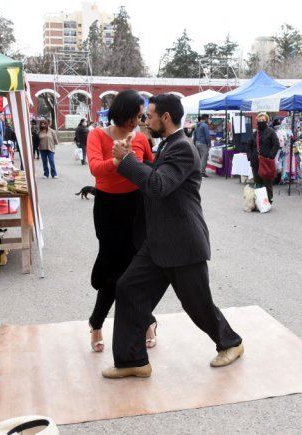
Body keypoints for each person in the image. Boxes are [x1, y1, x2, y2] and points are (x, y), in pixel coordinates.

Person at [101, 94, 243, 379]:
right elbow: (153, 178)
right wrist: (127, 161)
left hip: (183, 242)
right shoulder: (167, 144)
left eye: (150, 115)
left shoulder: (182, 148)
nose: (146, 120)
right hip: (158, 241)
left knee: (197, 303)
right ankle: (132, 361)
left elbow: (157, 185)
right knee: (128, 288)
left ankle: (231, 343)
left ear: (166, 117)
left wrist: (127, 160)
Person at [86, 90, 158, 354]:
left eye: (139, 116)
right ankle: (100, 324)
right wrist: (118, 159)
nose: (135, 122)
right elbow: (94, 167)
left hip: (136, 207)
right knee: (113, 270)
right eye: (132, 116)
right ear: (120, 112)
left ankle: (139, 321)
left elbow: (152, 167)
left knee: (133, 271)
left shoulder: (140, 138)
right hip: (108, 207)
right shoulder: (97, 135)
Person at [245, 112, 280, 203]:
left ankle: (268, 200)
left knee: (267, 182)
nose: (261, 122)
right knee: (258, 182)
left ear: (267, 121)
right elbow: (248, 146)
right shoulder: (254, 133)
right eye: (259, 120)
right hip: (255, 161)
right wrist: (250, 157)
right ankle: (259, 201)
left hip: (266, 161)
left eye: (263, 120)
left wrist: (271, 156)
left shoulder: (271, 132)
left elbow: (276, 144)